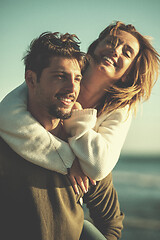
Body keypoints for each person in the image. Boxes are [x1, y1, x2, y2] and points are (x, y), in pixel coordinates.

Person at [0, 21, 159, 194]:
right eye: (111, 42)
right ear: (94, 48)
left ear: (127, 73)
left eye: (126, 53)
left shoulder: (120, 109)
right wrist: (69, 161)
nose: (116, 51)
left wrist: (75, 119)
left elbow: (99, 167)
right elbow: (6, 114)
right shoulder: (61, 73)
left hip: (79, 196)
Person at [0, 31, 124, 240]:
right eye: (60, 76)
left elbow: (111, 223)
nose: (72, 88)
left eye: (77, 78)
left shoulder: (85, 149)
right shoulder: (5, 145)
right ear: (31, 79)